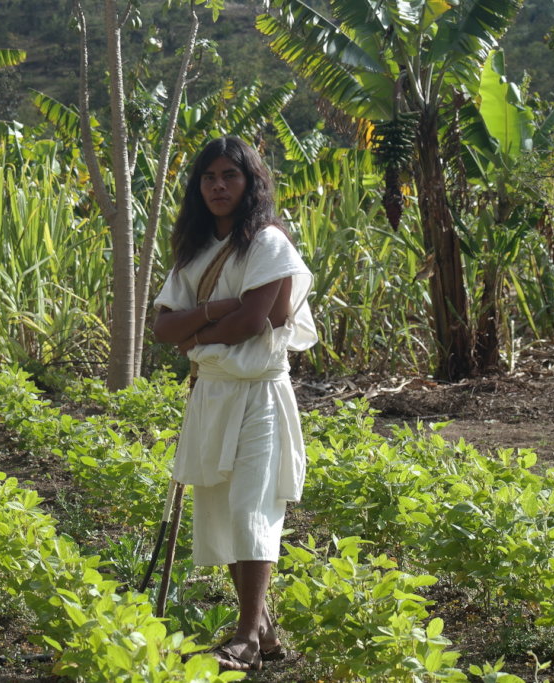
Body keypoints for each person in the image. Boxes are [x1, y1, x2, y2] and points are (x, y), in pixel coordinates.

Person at [152, 136, 317, 672]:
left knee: (251, 507)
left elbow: (256, 320)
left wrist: (197, 329)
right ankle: (263, 632)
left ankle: (245, 637)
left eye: (230, 176)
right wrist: (217, 310)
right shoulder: (195, 250)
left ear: (250, 183)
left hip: (258, 392)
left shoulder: (267, 242)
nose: (218, 186)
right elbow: (162, 327)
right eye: (209, 177)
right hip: (212, 391)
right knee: (222, 509)